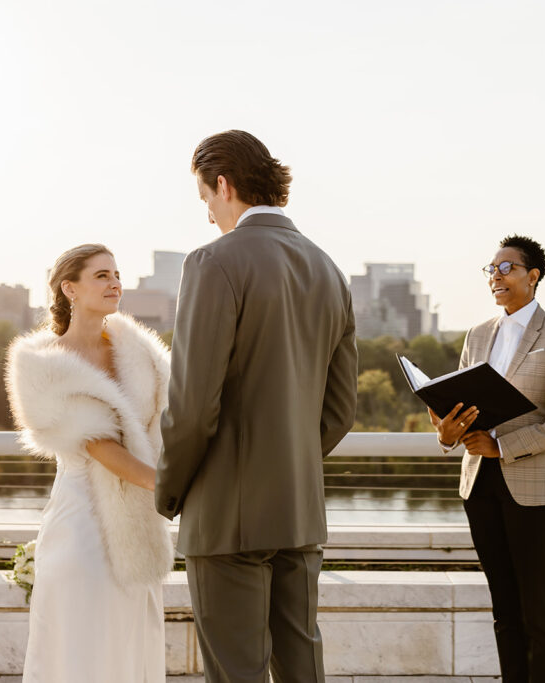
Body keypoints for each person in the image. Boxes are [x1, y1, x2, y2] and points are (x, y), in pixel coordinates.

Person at [155, 130, 357, 683]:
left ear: (224, 184)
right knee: (301, 667)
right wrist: (285, 463)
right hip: (298, 508)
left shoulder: (213, 263)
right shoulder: (328, 270)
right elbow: (340, 411)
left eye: (206, 201)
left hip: (225, 514)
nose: (209, 216)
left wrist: (168, 491)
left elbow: (193, 407)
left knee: (236, 673)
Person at [5, 244, 174, 683]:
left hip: (139, 521)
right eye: (101, 275)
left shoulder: (141, 355)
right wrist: (172, 488)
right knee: (83, 639)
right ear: (70, 288)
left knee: (130, 635)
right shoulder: (43, 366)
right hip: (81, 521)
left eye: (117, 273)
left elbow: (176, 420)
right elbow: (99, 445)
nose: (115, 282)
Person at [430, 235, 545, 683]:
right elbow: (458, 409)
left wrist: (503, 446)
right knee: (503, 604)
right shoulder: (479, 335)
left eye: (506, 268)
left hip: (533, 487)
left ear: (532, 276)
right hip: (479, 484)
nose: (495, 277)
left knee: (534, 604)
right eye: (491, 270)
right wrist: (446, 434)